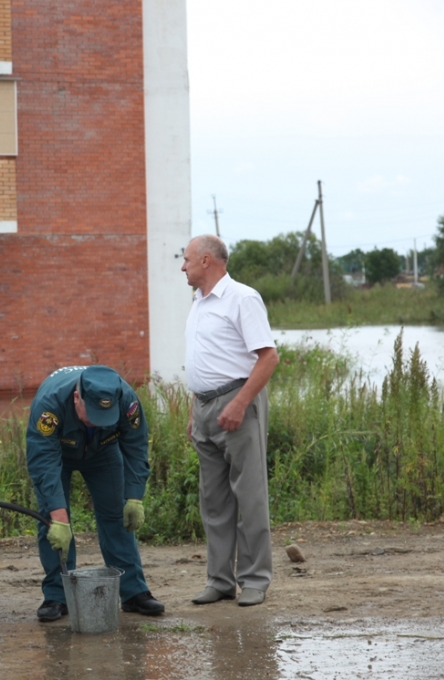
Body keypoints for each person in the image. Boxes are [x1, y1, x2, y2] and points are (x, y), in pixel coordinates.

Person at [180, 234, 280, 608]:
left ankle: (254, 580)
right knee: (214, 501)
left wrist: (239, 403)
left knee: (249, 496)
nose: (182, 266)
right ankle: (219, 580)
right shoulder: (198, 302)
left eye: (186, 259)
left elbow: (268, 357)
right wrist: (195, 410)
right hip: (205, 410)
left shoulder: (242, 298)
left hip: (238, 405)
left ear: (207, 261)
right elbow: (205, 360)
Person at [26, 364, 165, 621]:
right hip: (58, 455)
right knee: (54, 520)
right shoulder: (49, 405)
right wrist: (59, 515)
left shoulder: (126, 399)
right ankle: (58, 594)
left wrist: (134, 496)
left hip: (103, 451)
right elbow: (42, 462)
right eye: (91, 415)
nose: (96, 421)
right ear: (77, 398)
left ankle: (134, 592)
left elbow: (135, 447)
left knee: (117, 516)